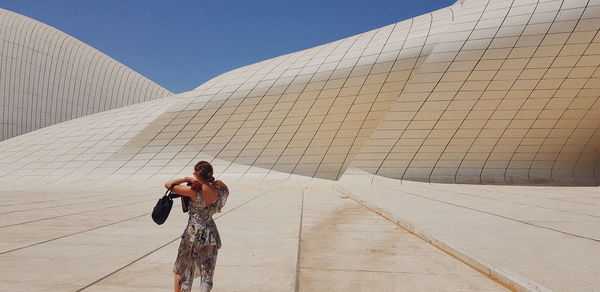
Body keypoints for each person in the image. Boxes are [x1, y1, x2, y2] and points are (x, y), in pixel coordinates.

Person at [164, 161, 229, 292]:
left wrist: (187, 179)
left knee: (183, 266)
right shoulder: (218, 191)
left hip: (193, 233)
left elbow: (168, 185)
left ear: (196, 174)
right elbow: (226, 189)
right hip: (210, 233)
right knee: (207, 270)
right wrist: (217, 182)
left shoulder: (193, 191)